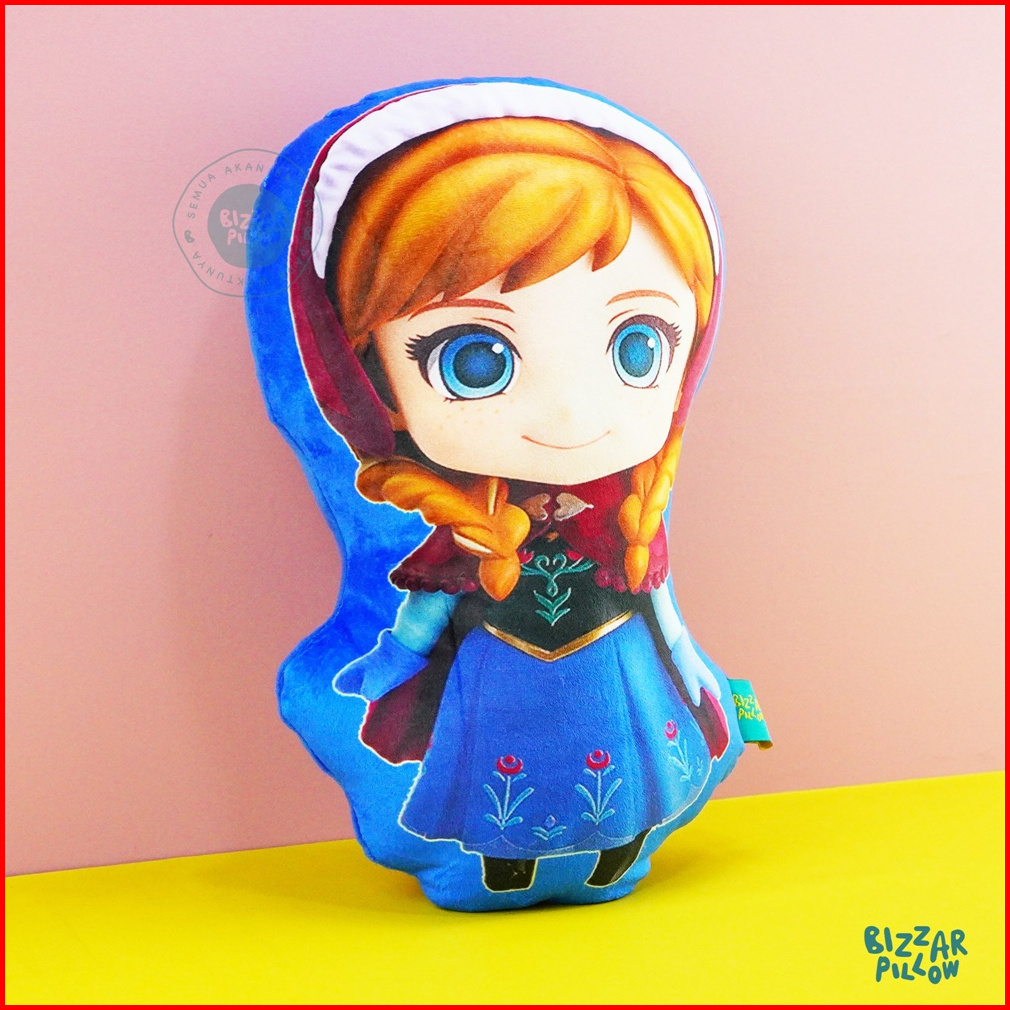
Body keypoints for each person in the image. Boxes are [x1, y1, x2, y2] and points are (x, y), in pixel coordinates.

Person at [275, 81, 744, 903]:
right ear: (366, 375)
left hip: (603, 661)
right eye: (474, 357)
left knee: (621, 772)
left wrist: (688, 668)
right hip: (498, 673)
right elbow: (426, 608)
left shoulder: (627, 513)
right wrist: (385, 663)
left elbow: (657, 600)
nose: (569, 416)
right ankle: (508, 860)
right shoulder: (467, 519)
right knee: (502, 785)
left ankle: (610, 849)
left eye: (638, 346)